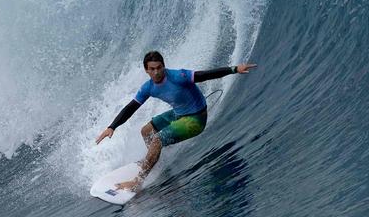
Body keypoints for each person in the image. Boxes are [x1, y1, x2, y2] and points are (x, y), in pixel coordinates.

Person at [94, 50, 257, 191]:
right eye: (152, 69)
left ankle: (138, 181)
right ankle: (155, 159)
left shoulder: (179, 76)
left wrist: (235, 69)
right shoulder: (148, 87)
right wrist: (112, 126)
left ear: (163, 66)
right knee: (146, 131)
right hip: (178, 114)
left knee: (157, 140)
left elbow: (205, 75)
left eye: (159, 68)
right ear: (146, 70)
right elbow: (131, 107)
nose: (156, 72)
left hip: (195, 119)